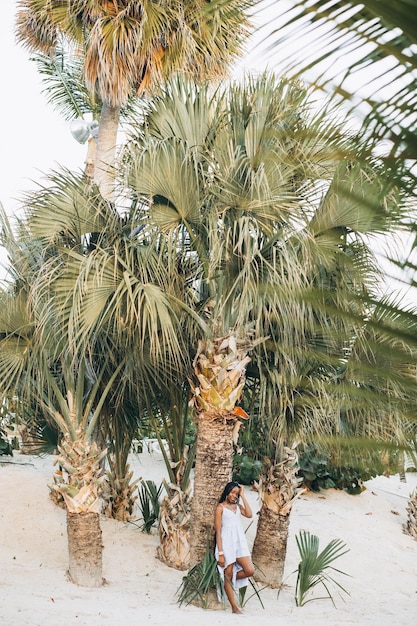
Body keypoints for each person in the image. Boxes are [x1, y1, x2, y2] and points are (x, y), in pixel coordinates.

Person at [214, 481, 255, 614]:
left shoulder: (238, 506)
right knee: (228, 572)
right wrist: (220, 553)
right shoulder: (220, 508)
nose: (234, 495)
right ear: (227, 492)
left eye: (236, 493)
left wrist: (243, 495)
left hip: (239, 542)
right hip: (226, 543)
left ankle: (227, 581)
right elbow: (218, 531)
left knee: (250, 570)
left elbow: (249, 514)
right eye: (232, 492)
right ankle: (234, 607)